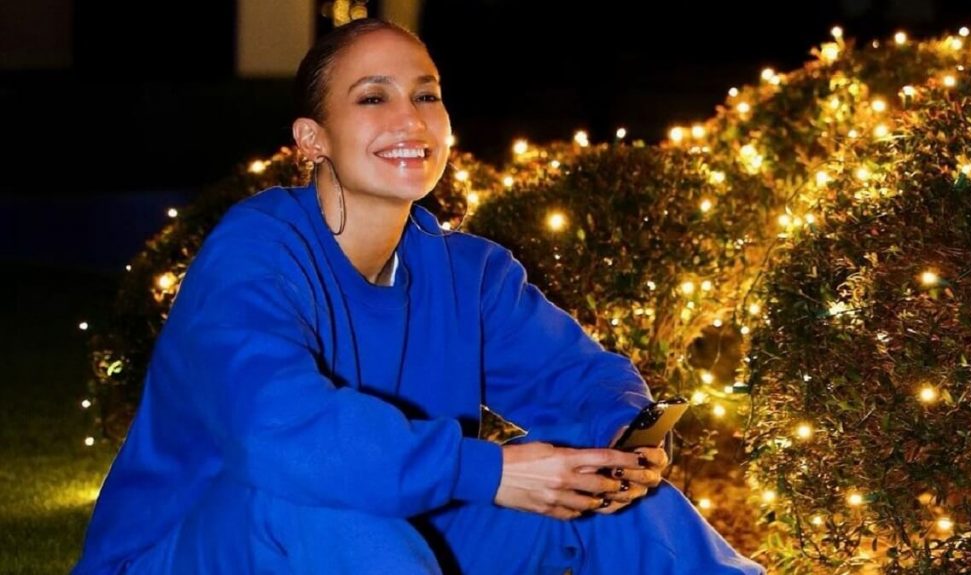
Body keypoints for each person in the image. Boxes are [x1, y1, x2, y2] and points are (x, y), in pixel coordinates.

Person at [73, 18, 764, 574]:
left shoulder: (469, 272)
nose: (410, 119)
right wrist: (486, 469)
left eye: (426, 95)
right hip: (209, 545)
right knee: (328, 502)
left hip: (387, 537)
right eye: (373, 97)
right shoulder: (257, 249)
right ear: (312, 140)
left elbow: (578, 378)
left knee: (601, 497)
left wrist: (619, 438)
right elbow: (275, 430)